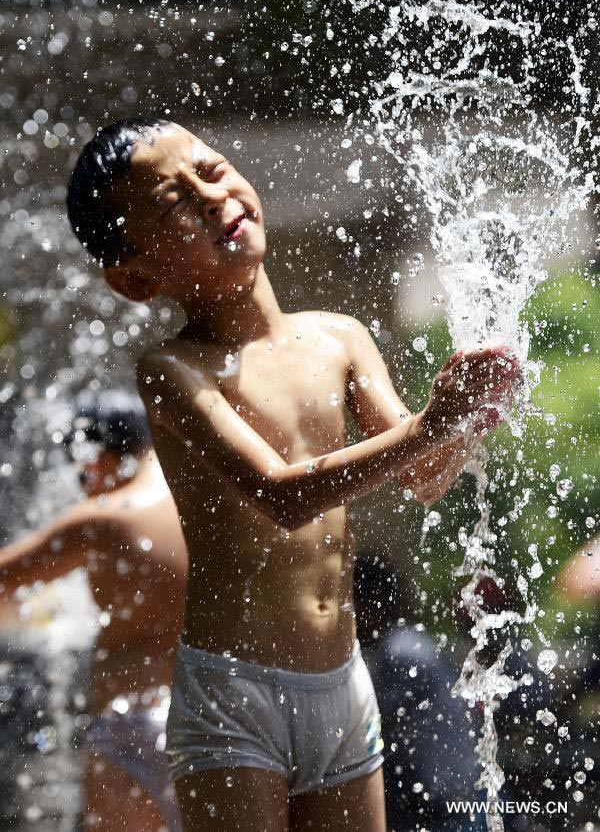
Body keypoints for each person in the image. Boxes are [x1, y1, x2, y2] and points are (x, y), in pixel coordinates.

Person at [66, 116, 522, 832]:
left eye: (210, 171)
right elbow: (280, 494)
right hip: (233, 695)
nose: (210, 196)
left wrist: (467, 418)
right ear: (135, 278)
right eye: (173, 203)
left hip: (342, 688)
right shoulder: (173, 370)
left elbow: (422, 475)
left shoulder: (340, 336)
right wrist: (430, 427)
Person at [0, 389, 187, 831]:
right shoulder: (198, 502)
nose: (84, 484)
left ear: (98, 457)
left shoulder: (106, 516)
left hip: (133, 732)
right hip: (209, 725)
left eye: (81, 471)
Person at [354, 553, 487, 832]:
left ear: (372, 604)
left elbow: (367, 725)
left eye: (353, 606)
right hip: (454, 796)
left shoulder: (402, 651)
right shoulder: (405, 642)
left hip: (446, 807)